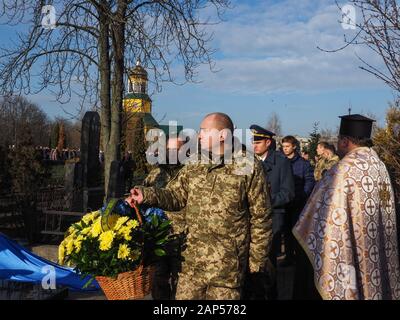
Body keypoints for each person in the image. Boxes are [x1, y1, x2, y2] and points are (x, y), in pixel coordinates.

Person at [128, 112, 272, 300]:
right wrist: (145, 194)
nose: (199, 135)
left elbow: (261, 218)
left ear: (222, 135)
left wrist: (256, 266)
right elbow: (176, 195)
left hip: (226, 270)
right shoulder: (195, 162)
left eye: (204, 131)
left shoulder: (247, 165)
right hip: (190, 266)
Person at [293, 114, 400, 300]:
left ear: (344, 141)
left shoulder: (341, 170)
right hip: (374, 246)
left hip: (352, 248)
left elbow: (312, 219)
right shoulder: (381, 167)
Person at [249, 125, 295, 299]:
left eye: (258, 142)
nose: (254, 146)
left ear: (268, 142)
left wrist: (266, 202)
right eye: (252, 142)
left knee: (267, 262)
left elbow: (288, 193)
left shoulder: (281, 161)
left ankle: (270, 294)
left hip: (272, 218)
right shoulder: (246, 161)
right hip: (249, 219)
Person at [142, 137, 186, 300]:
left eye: (176, 149)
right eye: (169, 150)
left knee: (181, 283)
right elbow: (144, 199)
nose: (172, 153)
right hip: (159, 238)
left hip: (183, 239)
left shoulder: (190, 172)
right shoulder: (155, 174)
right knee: (158, 282)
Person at [281, 136, 315, 267]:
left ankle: (300, 258)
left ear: (294, 146)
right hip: (284, 203)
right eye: (283, 147)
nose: (285, 149)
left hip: (298, 203)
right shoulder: (281, 161)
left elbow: (309, 181)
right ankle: (288, 257)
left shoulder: (303, 164)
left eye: (287, 146)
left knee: (298, 233)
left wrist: (302, 195)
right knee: (286, 232)